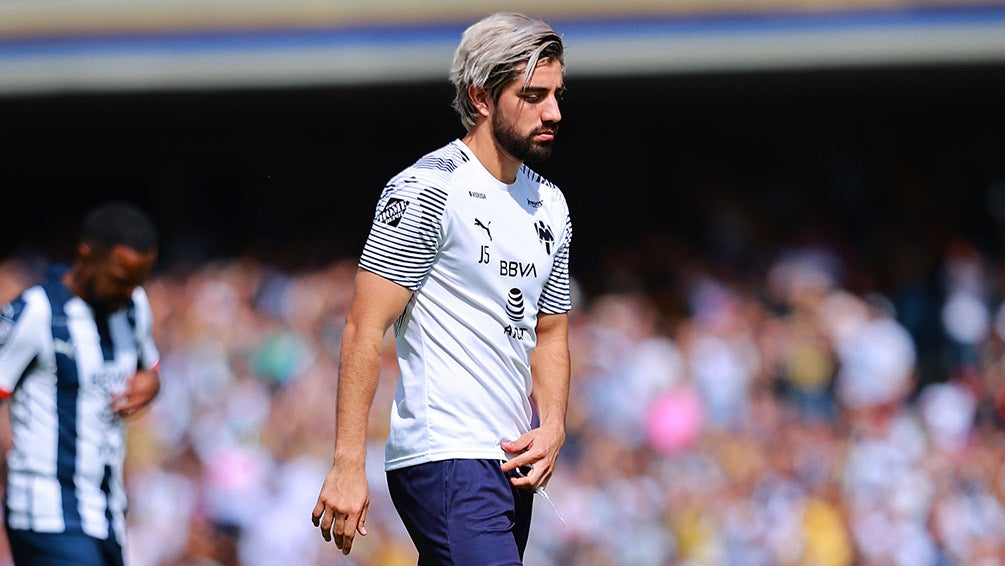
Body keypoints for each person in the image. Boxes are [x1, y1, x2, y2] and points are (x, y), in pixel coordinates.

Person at [312, 11, 572, 564]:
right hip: (447, 454)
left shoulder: (550, 203)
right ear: (481, 98)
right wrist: (347, 464)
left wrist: (552, 423)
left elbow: (550, 332)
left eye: (556, 95)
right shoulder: (427, 189)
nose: (553, 112)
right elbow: (364, 328)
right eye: (533, 95)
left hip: (512, 460)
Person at [0, 202, 161, 565]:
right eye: (121, 278)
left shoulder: (135, 306)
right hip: (45, 512)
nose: (129, 290)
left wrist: (152, 385)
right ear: (86, 257)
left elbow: (149, 370)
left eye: (139, 280)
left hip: (106, 513)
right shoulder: (37, 312)